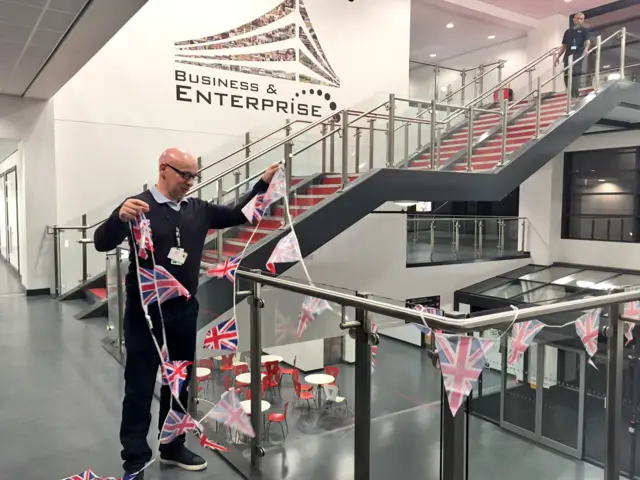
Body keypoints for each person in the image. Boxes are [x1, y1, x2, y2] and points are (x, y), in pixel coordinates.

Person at [94, 148, 279, 479]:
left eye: (195, 176)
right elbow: (102, 243)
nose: (191, 182)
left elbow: (240, 213)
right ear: (163, 169)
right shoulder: (136, 207)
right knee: (138, 385)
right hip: (145, 315)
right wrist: (116, 218)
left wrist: (262, 185)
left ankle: (172, 445)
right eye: (185, 175)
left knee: (179, 382)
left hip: (183, 311)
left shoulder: (199, 210)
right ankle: (135, 457)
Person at [555, 12, 591, 99]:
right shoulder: (568, 32)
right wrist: (558, 57)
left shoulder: (584, 30)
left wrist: (586, 49)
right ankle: (570, 93)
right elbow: (564, 45)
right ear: (574, 19)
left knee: (574, 74)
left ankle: (575, 94)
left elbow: (587, 41)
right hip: (568, 56)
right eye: (578, 18)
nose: (579, 20)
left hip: (578, 55)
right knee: (566, 75)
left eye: (581, 19)